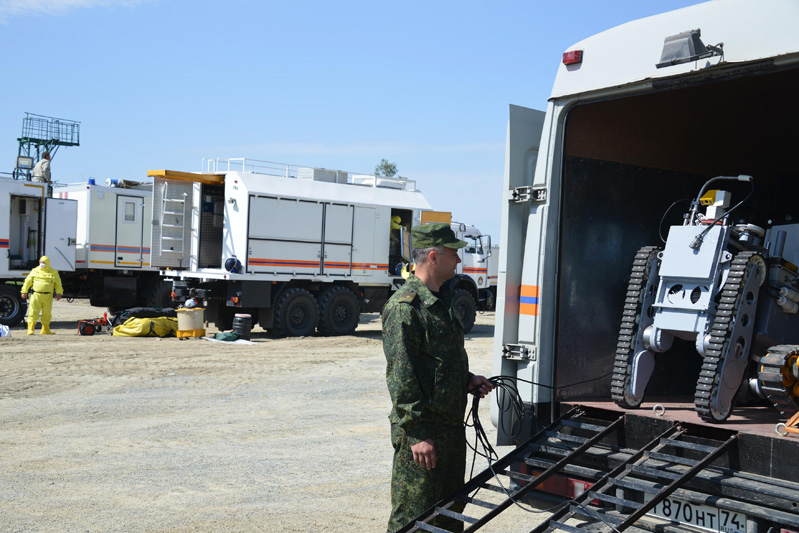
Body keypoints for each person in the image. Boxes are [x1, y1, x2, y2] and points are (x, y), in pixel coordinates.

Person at [382, 222, 494, 533]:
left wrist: (467, 379)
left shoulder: (443, 301)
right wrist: (418, 434)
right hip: (424, 436)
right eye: (454, 254)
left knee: (449, 517)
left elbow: (437, 361)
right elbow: (400, 375)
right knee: (414, 520)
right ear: (434, 256)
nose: (459, 260)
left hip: (450, 431)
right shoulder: (406, 309)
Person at [21, 256, 63, 335]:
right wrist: (24, 291)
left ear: (47, 263)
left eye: (43, 263)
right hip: (36, 295)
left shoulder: (53, 272)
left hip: (48, 296)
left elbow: (58, 284)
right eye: (41, 262)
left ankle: (45, 330)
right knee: (33, 312)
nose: (42, 264)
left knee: (47, 313)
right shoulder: (35, 271)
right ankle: (30, 329)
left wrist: (59, 293)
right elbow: (27, 282)